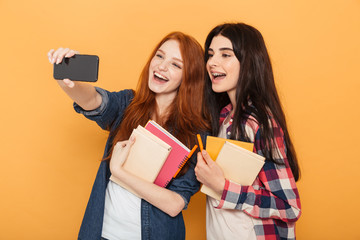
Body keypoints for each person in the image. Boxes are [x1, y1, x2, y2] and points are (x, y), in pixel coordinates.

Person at [47, 32, 210, 240]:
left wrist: (119, 171)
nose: (161, 66)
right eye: (159, 56)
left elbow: (175, 204)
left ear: (190, 77)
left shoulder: (195, 134)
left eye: (176, 65)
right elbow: (93, 101)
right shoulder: (128, 104)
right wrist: (67, 81)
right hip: (102, 234)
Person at [195, 23, 301, 240]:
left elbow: (289, 206)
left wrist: (222, 187)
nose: (212, 62)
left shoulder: (259, 122)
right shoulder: (224, 118)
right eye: (211, 54)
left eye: (226, 55)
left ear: (249, 62)